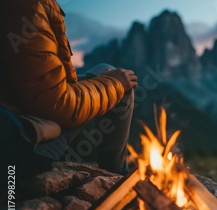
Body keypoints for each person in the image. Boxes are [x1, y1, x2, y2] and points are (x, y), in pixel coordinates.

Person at [0, 0, 138, 177]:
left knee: (105, 69)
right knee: (121, 84)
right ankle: (115, 178)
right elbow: (59, 103)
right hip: (24, 143)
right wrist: (116, 84)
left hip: (17, 111)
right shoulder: (26, 7)